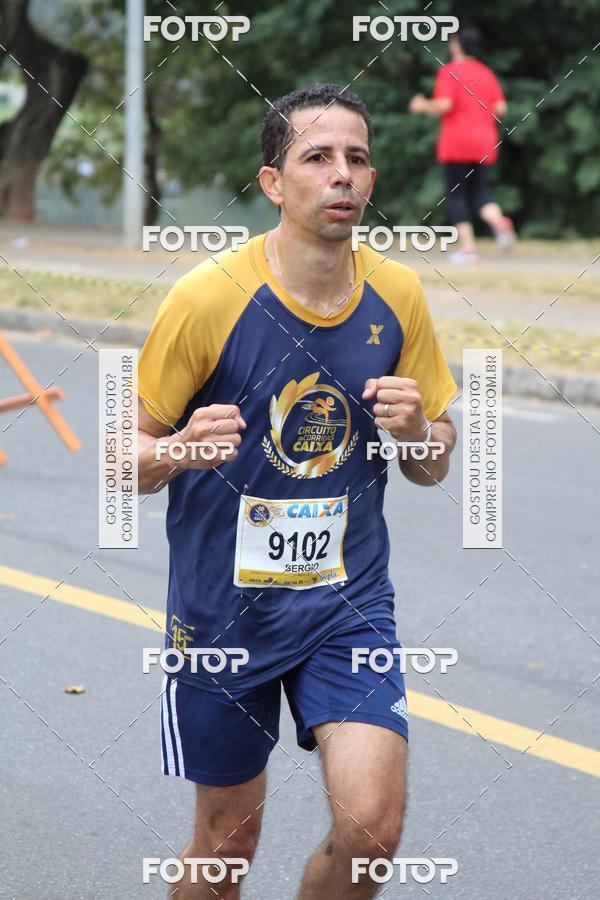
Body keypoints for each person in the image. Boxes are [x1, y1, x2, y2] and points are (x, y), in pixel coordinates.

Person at [136, 82, 457, 899]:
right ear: (275, 182)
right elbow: (119, 462)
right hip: (222, 611)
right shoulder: (208, 296)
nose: (342, 174)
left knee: (371, 828)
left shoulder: (398, 297)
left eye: (356, 158)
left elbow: (433, 461)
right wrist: (179, 448)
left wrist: (419, 428)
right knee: (226, 842)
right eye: (318, 157)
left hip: (346, 603)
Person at [409, 24, 515, 263]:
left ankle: (468, 250)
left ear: (457, 44)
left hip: (458, 141)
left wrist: (421, 105)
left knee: (456, 194)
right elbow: (501, 108)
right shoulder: (486, 72)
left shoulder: (450, 71)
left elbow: (444, 104)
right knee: (480, 192)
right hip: (485, 141)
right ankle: (498, 222)